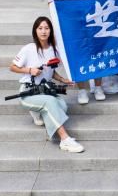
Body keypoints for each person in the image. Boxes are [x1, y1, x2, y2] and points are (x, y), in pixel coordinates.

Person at [10, 17, 84, 153]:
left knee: (62, 106)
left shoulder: (54, 50)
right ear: (35, 31)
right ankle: (65, 140)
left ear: (50, 31)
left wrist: (63, 80)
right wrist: (29, 70)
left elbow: (51, 71)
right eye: (40, 28)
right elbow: (13, 67)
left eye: (46, 28)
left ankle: (38, 112)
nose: (43, 31)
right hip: (28, 92)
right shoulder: (28, 49)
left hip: (44, 90)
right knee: (50, 103)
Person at [64, 0, 112, 104]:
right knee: (81, 58)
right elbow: (70, 3)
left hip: (97, 26)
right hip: (79, 26)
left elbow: (105, 4)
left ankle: (98, 87)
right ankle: (82, 90)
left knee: (98, 57)